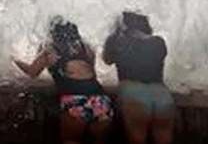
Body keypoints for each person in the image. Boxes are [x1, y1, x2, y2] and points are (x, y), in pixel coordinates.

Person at [13, 16, 113, 144]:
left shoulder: (50, 50)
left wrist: (14, 59)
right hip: (101, 100)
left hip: (76, 102)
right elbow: (89, 73)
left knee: (71, 141)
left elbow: (32, 72)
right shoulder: (87, 48)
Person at [104, 11, 174, 144]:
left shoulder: (117, 41)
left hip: (134, 95)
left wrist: (114, 34)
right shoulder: (158, 42)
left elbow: (107, 60)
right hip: (162, 95)